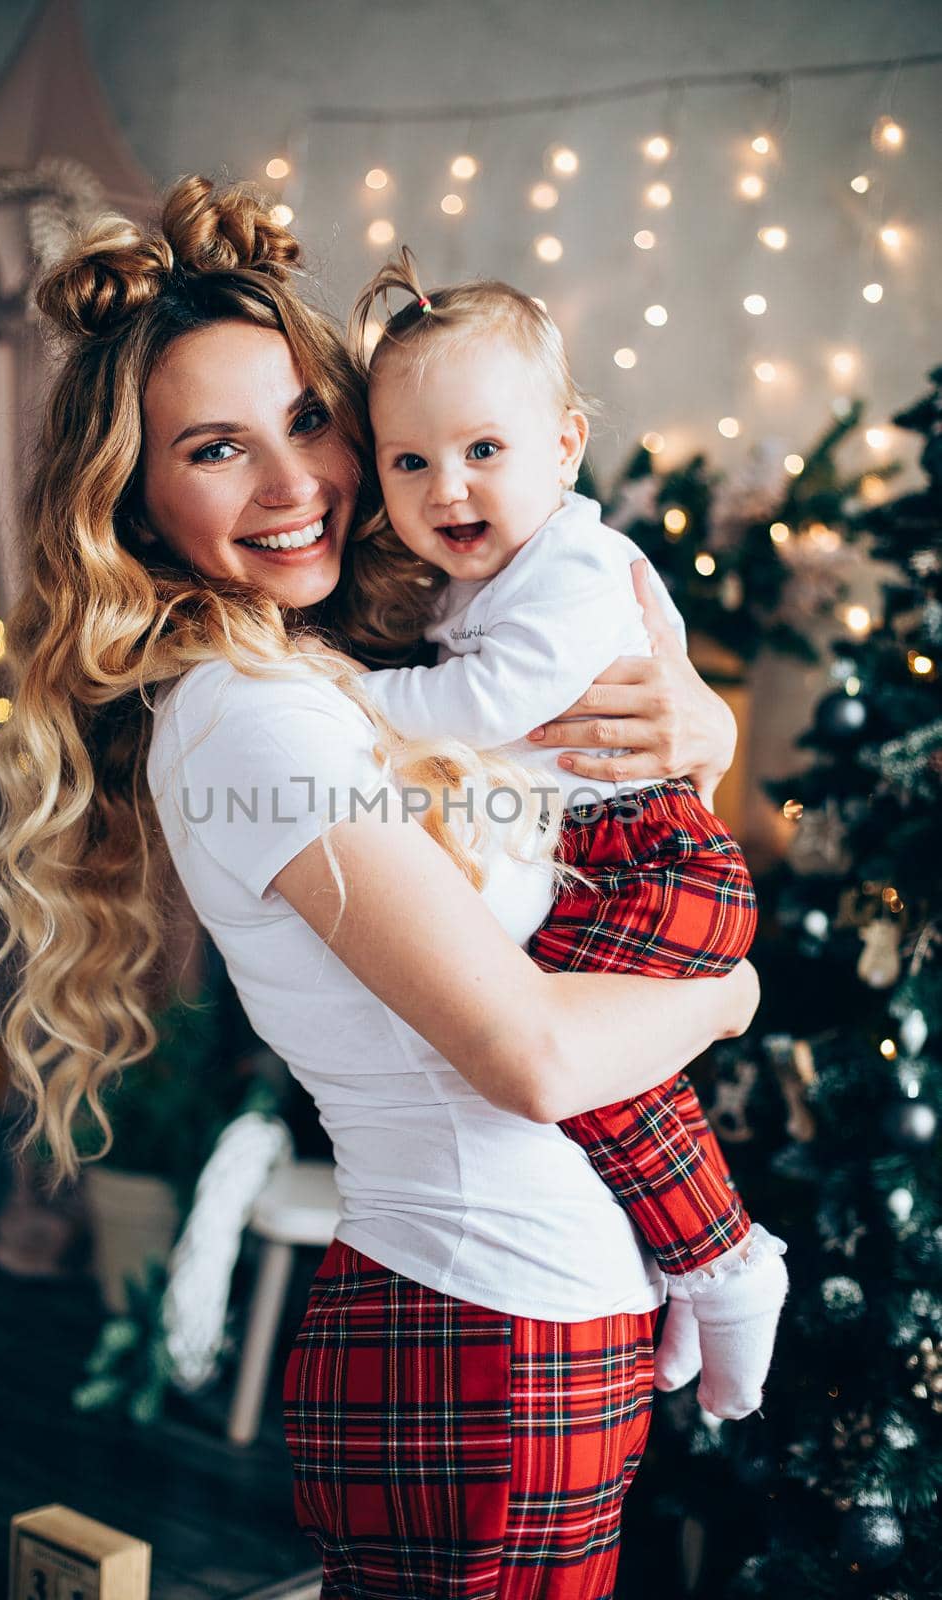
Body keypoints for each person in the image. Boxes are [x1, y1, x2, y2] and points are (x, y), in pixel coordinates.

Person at [0, 175, 760, 1600]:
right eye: (216, 448)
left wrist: (693, 727)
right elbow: (525, 1055)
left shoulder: (362, 671)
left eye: (309, 422)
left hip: (521, 1316)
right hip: (485, 1319)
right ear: (133, 502)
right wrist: (727, 992)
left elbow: (599, 780)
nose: (292, 485)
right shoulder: (253, 714)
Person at [345, 250, 789, 1422]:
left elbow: (487, 709)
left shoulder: (574, 568)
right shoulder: (467, 584)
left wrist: (350, 696)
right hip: (605, 855)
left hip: (653, 855)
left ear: (564, 445)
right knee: (615, 1080)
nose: (448, 486)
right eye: (410, 461)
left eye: (483, 448)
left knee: (577, 1069)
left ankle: (732, 1266)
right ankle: (703, 1262)